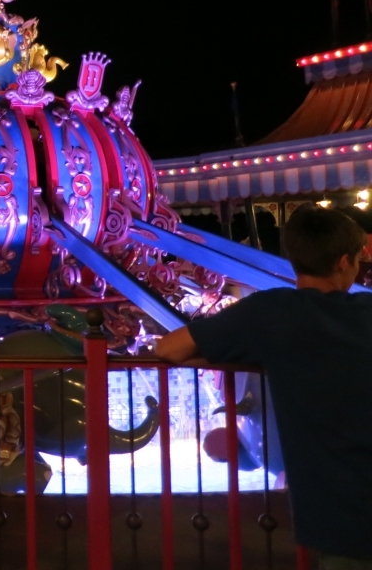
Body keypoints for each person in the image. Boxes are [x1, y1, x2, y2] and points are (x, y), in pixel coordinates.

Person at [156, 207, 372, 569]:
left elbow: (168, 349)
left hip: (342, 513)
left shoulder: (270, 314)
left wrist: (239, 353)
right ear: (344, 261)